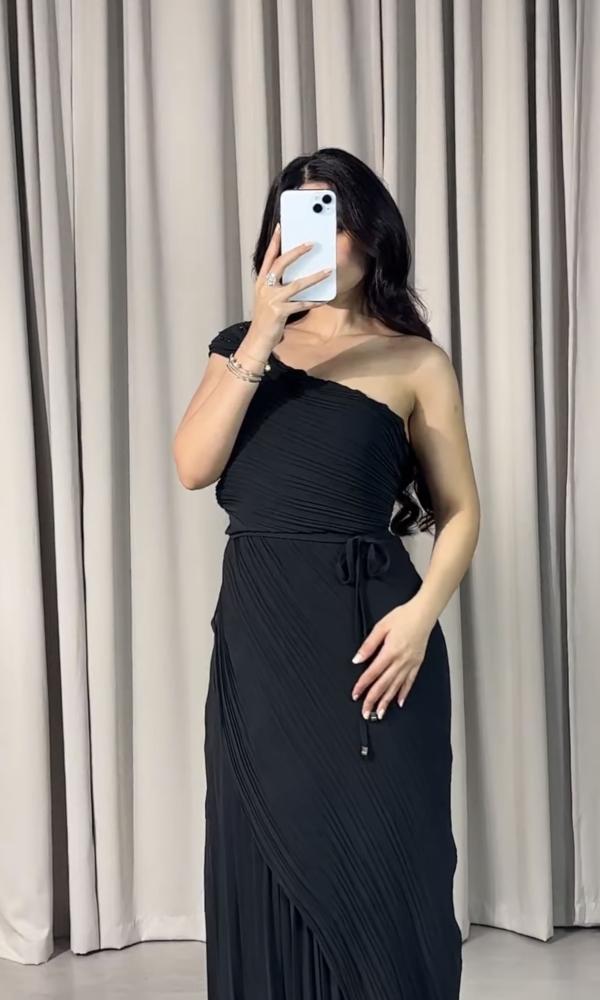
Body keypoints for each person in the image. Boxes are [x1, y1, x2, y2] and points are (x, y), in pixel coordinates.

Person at [173, 147, 479, 1000]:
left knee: (390, 867)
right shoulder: (239, 348)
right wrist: (263, 332)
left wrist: (419, 618)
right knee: (264, 855)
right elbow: (193, 466)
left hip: (373, 645)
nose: (315, 237)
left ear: (371, 237)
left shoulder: (415, 363)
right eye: (298, 218)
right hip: (262, 647)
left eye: (334, 219)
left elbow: (461, 513)